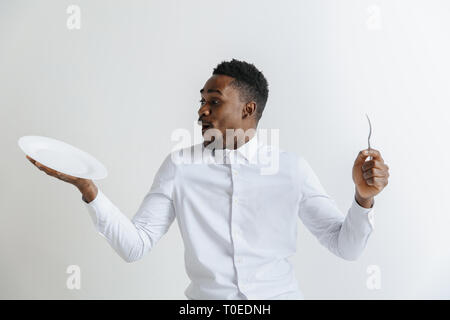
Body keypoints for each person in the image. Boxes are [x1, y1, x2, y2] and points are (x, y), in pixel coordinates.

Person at [26, 59, 389, 300]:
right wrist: (89, 190)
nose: (201, 110)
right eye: (201, 100)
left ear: (249, 109)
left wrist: (362, 198)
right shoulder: (179, 166)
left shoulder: (291, 169)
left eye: (214, 101)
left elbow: (346, 248)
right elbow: (135, 246)